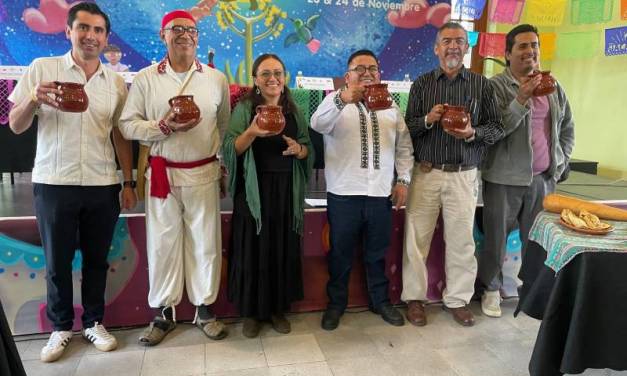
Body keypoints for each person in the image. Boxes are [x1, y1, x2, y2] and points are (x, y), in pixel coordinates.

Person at [7, 2, 136, 362]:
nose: (90, 36)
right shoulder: (42, 69)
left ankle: (94, 322)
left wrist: (128, 182)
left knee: (97, 259)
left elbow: (121, 135)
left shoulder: (115, 82)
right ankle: (61, 327)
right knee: (57, 261)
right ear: (68, 31)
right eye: (83, 28)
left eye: (97, 30)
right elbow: (16, 125)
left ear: (106, 37)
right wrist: (34, 97)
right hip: (54, 181)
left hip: (102, 182)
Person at [119, 9, 230, 345]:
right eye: (176, 29)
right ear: (162, 36)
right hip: (162, 174)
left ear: (198, 37)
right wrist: (162, 126)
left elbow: (221, 126)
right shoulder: (146, 78)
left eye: (191, 30)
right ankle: (164, 313)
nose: (185, 35)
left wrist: (221, 162)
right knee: (163, 242)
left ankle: (204, 309)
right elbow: (126, 124)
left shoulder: (215, 79)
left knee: (206, 243)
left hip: (204, 172)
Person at [402, 22, 504, 327]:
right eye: (447, 41)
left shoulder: (481, 85)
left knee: (462, 242)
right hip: (427, 173)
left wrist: (472, 132)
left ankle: (458, 299)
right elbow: (408, 128)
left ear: (467, 47)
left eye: (459, 41)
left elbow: (496, 128)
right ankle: (415, 299)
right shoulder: (421, 84)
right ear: (436, 48)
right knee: (416, 240)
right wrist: (428, 119)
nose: (453, 46)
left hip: (463, 175)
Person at [311, 49, 414, 331]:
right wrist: (342, 98)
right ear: (348, 76)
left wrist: (403, 180)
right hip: (344, 195)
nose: (367, 73)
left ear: (380, 74)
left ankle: (380, 301)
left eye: (373, 68)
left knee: (377, 253)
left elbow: (405, 147)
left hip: (380, 194)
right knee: (340, 254)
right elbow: (316, 123)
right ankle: (336, 305)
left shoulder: (392, 108)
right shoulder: (334, 105)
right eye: (360, 68)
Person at [479, 24, 575, 318]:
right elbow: (495, 130)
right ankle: (491, 290)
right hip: (504, 179)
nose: (530, 51)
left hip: (544, 179)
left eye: (534, 45)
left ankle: (532, 291)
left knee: (538, 241)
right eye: (522, 46)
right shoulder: (494, 87)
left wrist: (560, 161)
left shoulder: (553, 86)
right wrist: (521, 98)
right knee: (496, 238)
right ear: (507, 54)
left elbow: (567, 128)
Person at [222, 54, 314, 338]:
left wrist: (298, 150)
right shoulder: (245, 108)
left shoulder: (294, 111)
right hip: (253, 191)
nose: (272, 78)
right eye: (265, 74)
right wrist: (251, 131)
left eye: (278, 72)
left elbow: (308, 148)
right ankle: (252, 313)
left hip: (286, 190)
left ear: (284, 77)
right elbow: (229, 149)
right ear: (255, 79)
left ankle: (276, 309)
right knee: (253, 247)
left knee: (280, 247)